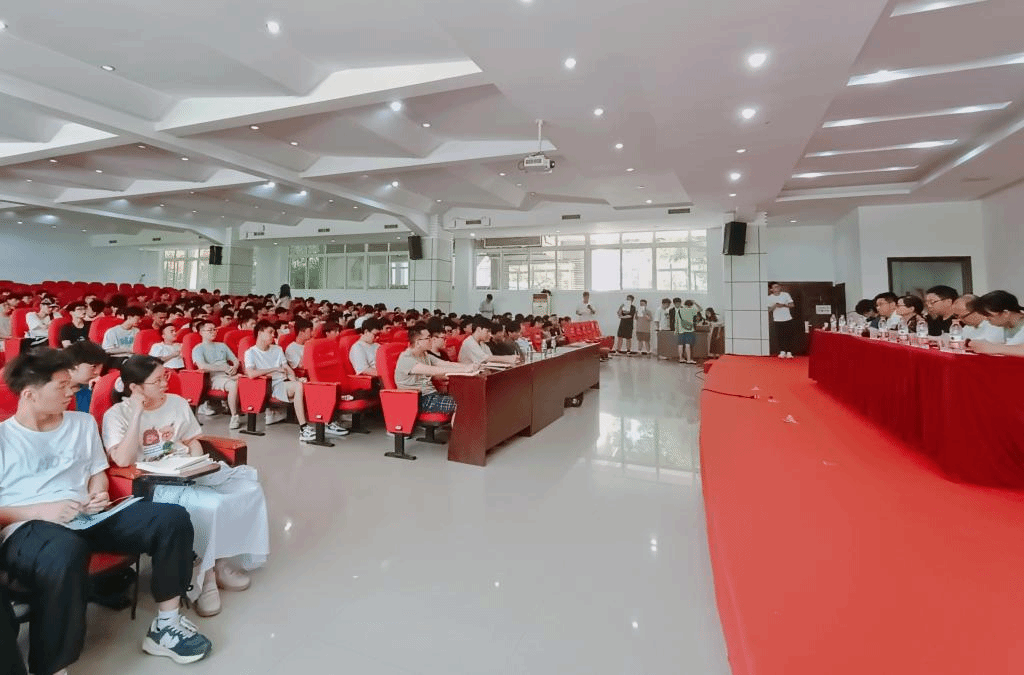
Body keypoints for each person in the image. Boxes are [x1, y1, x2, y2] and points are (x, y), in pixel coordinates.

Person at [0, 349, 212, 673]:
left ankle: (166, 626)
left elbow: (97, 472)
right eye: (61, 386)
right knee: (65, 549)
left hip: (87, 514)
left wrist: (97, 493)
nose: (71, 392)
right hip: (30, 526)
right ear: (30, 394)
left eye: (71, 384)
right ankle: (52, 666)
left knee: (171, 518)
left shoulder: (82, 423)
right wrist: (41, 511)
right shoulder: (5, 438)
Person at [103, 355, 270, 620]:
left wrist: (195, 461)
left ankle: (220, 559)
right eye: (157, 380)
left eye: (165, 377)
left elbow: (193, 439)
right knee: (211, 504)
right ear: (135, 388)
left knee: (248, 489)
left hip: (186, 468)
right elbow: (122, 459)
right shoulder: (116, 415)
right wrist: (137, 413)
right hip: (151, 481)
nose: (165, 384)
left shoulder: (178, 403)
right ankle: (205, 576)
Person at [244, 321, 325, 440]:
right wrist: (274, 369)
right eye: (270, 332)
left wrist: (294, 378)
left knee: (309, 385)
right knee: (298, 387)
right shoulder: (250, 352)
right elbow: (251, 374)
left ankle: (325, 422)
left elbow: (287, 368)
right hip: (269, 385)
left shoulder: (277, 349)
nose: (273, 335)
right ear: (260, 333)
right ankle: (303, 429)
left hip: (283, 382)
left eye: (274, 332)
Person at [395, 324, 479, 413]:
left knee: (468, 398)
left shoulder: (424, 354)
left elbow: (444, 364)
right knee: (462, 404)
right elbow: (434, 370)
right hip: (418, 400)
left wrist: (470, 366)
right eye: (428, 338)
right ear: (418, 342)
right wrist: (465, 370)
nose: (431, 340)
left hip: (431, 395)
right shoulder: (406, 359)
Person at [191, 320, 242, 429]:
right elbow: (202, 366)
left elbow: (235, 361)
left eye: (215, 330)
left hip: (229, 374)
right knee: (233, 385)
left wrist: (234, 367)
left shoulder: (222, 346)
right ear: (201, 332)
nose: (213, 332)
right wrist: (222, 368)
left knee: (247, 380)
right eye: (210, 330)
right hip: (214, 377)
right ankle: (234, 416)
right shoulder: (198, 349)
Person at [967, 290, 1024, 355]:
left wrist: (994, 348)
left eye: (988, 315)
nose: (985, 318)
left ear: (1005, 313)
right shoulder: (1004, 324)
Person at [65, 340, 108, 412]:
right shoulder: (50, 392)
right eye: (93, 367)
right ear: (73, 366)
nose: (97, 372)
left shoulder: (89, 391)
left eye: (101, 368)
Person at [767, 282, 796, 358]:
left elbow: (792, 305)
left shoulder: (785, 295)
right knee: (780, 336)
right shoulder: (769, 298)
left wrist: (783, 305)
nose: (777, 288)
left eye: (778, 286)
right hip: (777, 319)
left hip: (787, 318)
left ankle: (789, 352)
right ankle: (782, 351)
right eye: (775, 287)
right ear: (771, 289)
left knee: (789, 335)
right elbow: (769, 310)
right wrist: (775, 305)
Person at [674, 298, 701, 364]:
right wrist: (695, 303)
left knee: (680, 345)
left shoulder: (679, 310)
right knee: (688, 344)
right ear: (691, 305)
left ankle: (681, 359)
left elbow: (676, 321)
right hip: (689, 330)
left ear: (684, 304)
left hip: (680, 330)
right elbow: (700, 309)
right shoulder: (692, 310)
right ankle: (689, 359)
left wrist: (676, 330)